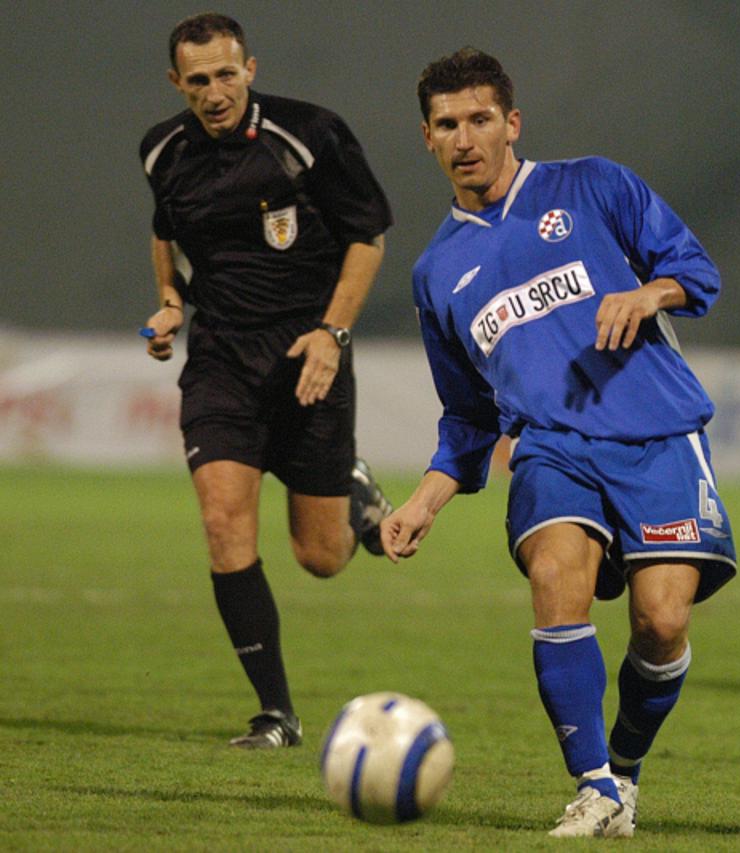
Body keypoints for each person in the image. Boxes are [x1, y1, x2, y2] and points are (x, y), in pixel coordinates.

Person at [382, 48, 736, 838]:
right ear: (427, 138)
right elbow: (469, 416)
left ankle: (626, 768)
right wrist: (424, 500)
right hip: (550, 448)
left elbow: (695, 269)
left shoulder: (594, 184)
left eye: (479, 119)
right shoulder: (437, 272)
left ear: (512, 123)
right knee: (554, 571)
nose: (465, 137)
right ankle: (594, 784)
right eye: (447, 124)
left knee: (663, 622)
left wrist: (650, 293)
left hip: (658, 433)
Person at [138, 13, 395, 749]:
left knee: (320, 557)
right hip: (220, 359)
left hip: (308, 353)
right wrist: (170, 300)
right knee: (223, 523)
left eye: (226, 74)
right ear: (176, 83)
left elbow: (367, 237)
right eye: (197, 81)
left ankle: (349, 484)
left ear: (250, 67)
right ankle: (276, 713)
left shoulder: (309, 134)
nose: (214, 92)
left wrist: (334, 333)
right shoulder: (161, 150)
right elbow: (165, 228)